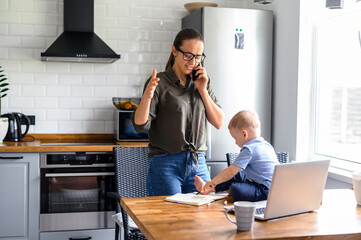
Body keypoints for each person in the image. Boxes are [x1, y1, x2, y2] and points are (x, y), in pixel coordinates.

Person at [131, 28, 224, 196]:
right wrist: (146, 97)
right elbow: (139, 125)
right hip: (165, 165)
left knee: (203, 218)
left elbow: (218, 122)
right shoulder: (159, 83)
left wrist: (202, 90)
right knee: (170, 220)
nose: (193, 61)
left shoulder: (202, 81)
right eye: (188, 55)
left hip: (198, 163)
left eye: (198, 56)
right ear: (174, 51)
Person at [194, 110, 278, 202]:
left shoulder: (249, 149)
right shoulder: (266, 145)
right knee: (238, 175)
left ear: (244, 134)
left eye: (235, 138)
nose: (235, 142)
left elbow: (231, 171)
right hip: (272, 187)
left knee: (235, 189)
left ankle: (210, 187)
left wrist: (213, 182)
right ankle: (211, 188)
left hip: (264, 190)